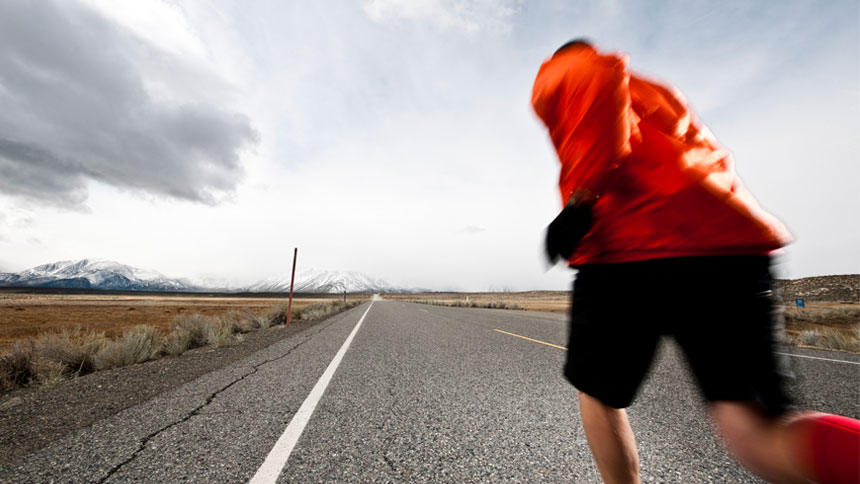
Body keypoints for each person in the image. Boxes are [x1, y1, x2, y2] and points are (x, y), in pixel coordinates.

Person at [531, 39, 859, 484]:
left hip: (630, 252)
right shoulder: (655, 92)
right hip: (729, 247)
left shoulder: (570, 69)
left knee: (599, 393)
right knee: (757, 432)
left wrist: (580, 202)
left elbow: (596, 87)